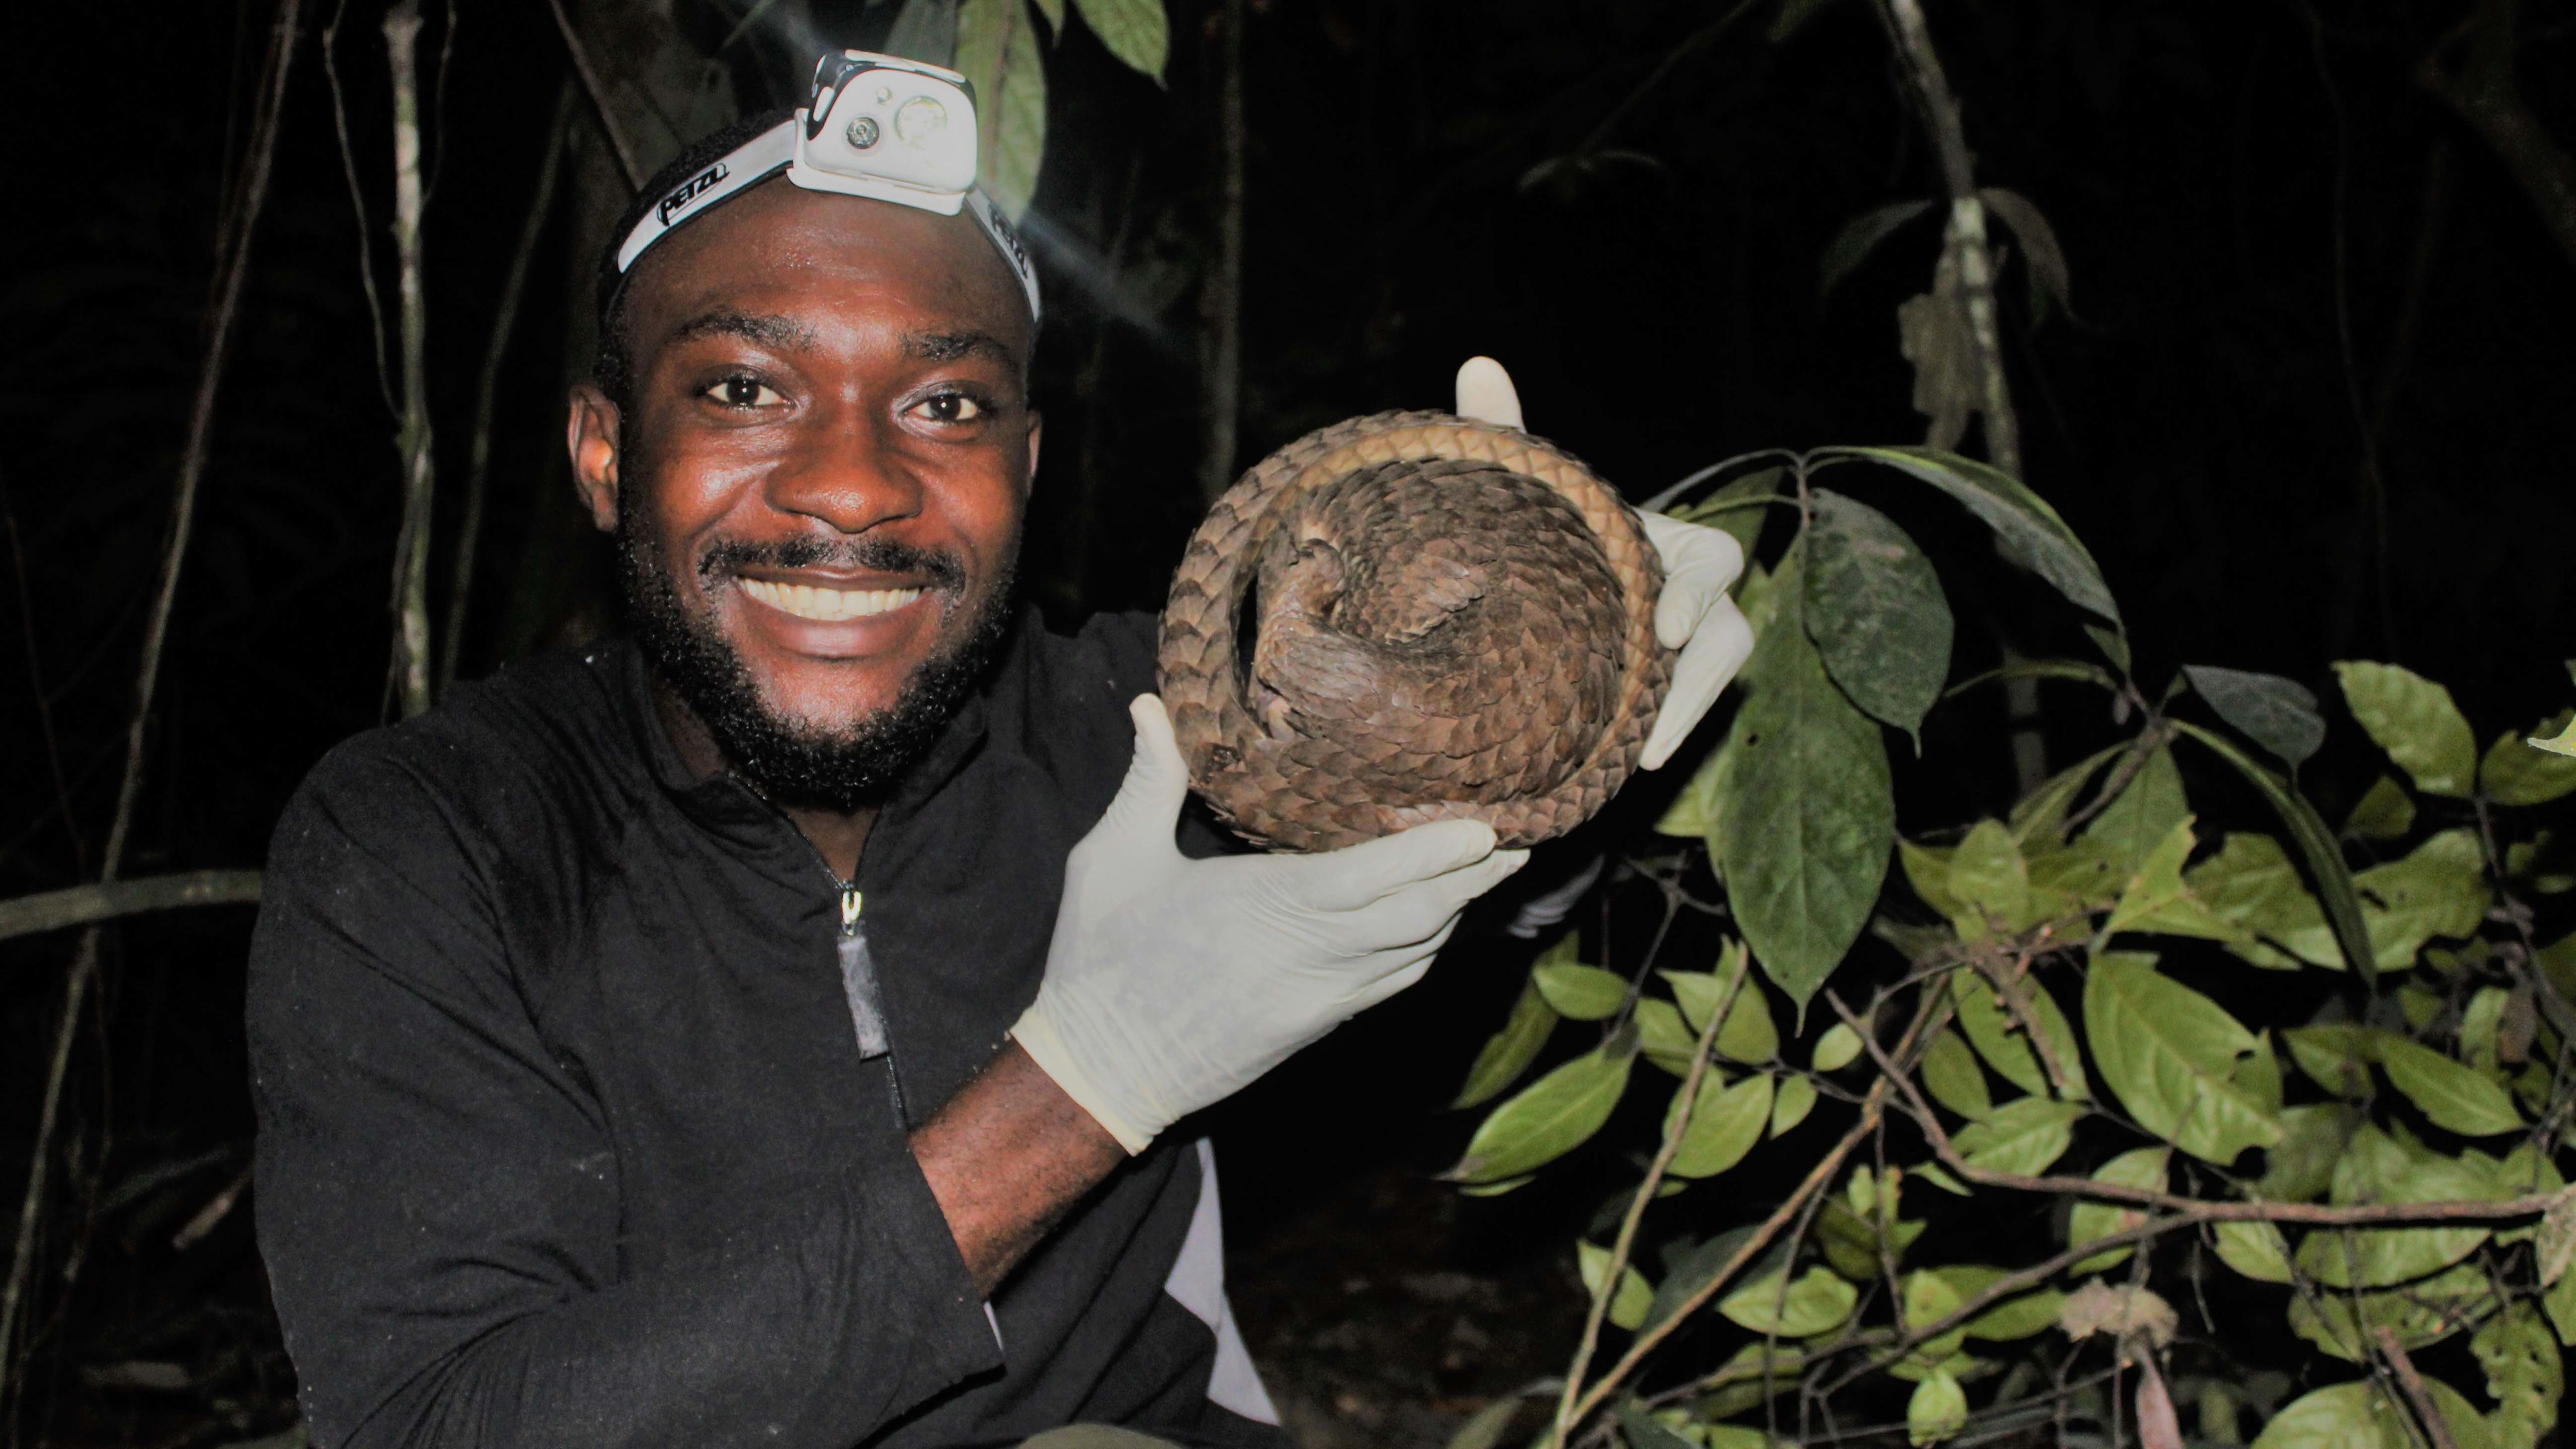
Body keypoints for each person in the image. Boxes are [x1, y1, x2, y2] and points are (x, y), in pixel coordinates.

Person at [245, 54, 1754, 1449]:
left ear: (1023, 466)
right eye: (744, 388)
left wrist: (1571, 719)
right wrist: (1085, 1085)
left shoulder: (1142, 732)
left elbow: (1434, 835)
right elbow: (433, 1420)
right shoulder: (437, 839)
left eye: (946, 401)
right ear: (602, 451)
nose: (851, 485)